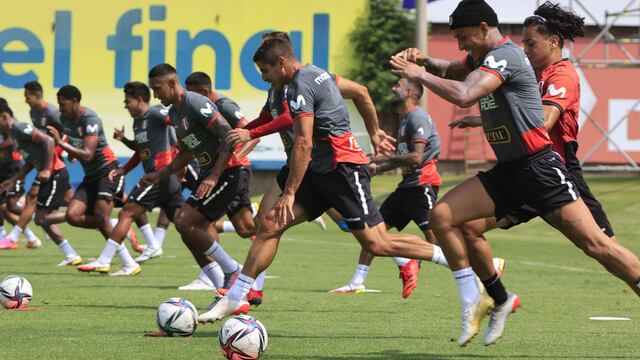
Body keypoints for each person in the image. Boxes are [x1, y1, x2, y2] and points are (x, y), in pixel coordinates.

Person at [390, 0, 640, 346]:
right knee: (450, 219)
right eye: (524, 42)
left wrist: (419, 76)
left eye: (532, 43)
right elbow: (450, 69)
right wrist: (421, 60)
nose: (526, 48)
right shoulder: (490, 58)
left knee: (600, 247)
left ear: (554, 42)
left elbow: (539, 120)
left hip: (548, 170)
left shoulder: (555, 72)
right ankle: (495, 297)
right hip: (512, 171)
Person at [198, 36, 450, 324]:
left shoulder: (307, 80)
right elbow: (275, 117)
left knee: (376, 243)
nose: (263, 78)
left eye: (265, 71)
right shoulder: (283, 86)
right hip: (315, 169)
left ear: (281, 61)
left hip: (341, 168)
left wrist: (289, 191)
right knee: (268, 225)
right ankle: (237, 296)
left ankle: (456, 259)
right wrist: (249, 131)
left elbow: (309, 133)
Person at [330, 78, 500, 297]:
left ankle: (486, 267)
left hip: (422, 186)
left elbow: (416, 157)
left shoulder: (417, 116)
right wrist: (374, 168)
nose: (393, 88)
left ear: (410, 92)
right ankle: (358, 281)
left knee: (437, 241)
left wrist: (381, 161)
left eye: (398, 86)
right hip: (406, 188)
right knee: (373, 232)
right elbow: (402, 159)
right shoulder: (404, 119)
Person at [140, 63, 243, 293]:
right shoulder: (175, 113)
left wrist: (214, 176)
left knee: (185, 221)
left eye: (157, 88)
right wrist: (158, 175)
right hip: (210, 174)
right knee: (186, 229)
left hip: (227, 171)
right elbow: (185, 153)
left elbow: (228, 135)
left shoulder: (195, 102)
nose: (155, 95)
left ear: (171, 83)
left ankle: (232, 270)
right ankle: (221, 286)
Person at [77, 82, 184, 275]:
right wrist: (124, 169)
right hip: (162, 178)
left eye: (128, 101)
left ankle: (105, 260)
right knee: (187, 223)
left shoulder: (155, 113)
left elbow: (177, 120)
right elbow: (141, 150)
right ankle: (222, 270)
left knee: (126, 213)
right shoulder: (138, 121)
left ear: (140, 100)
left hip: (159, 176)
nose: (125, 105)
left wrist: (184, 147)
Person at [47, 85, 138, 275]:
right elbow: (76, 141)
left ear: (74, 102)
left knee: (100, 216)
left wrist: (61, 143)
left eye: (62, 103)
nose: (60, 107)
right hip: (91, 176)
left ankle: (127, 263)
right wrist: (71, 148)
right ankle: (113, 226)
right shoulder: (65, 119)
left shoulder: (90, 119)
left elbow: (88, 154)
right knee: (73, 216)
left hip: (108, 171)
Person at [0, 103, 80, 264]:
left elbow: (49, 141)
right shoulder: (14, 135)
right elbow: (30, 161)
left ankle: (13, 236)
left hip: (55, 173)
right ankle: (71, 254)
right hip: (48, 173)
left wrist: (47, 169)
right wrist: (13, 180)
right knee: (42, 218)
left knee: (37, 209)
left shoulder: (21, 128)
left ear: (3, 117)